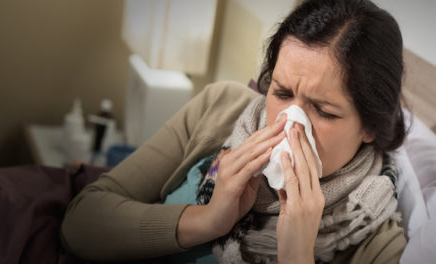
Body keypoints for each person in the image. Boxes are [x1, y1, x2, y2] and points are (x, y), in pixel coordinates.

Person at [61, 0, 407, 263]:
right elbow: (79, 223)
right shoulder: (220, 105)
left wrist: (297, 254)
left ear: (371, 127)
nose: (289, 123)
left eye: (323, 111)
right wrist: (208, 220)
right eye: (281, 93)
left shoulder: (377, 242)